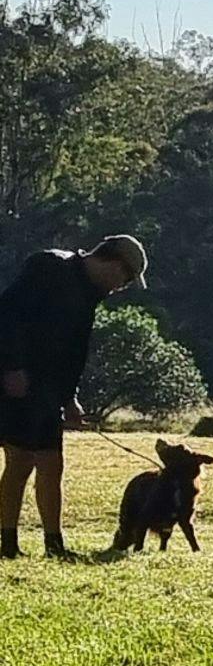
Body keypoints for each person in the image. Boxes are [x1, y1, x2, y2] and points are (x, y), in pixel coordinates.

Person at [0, 236, 147, 559]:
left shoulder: (90, 295)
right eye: (125, 279)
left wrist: (70, 399)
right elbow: (7, 314)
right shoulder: (49, 266)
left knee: (52, 463)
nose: (120, 288)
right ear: (112, 262)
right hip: (16, 379)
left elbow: (74, 352)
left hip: (48, 388)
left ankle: (53, 544)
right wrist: (12, 366)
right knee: (21, 459)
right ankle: (8, 543)